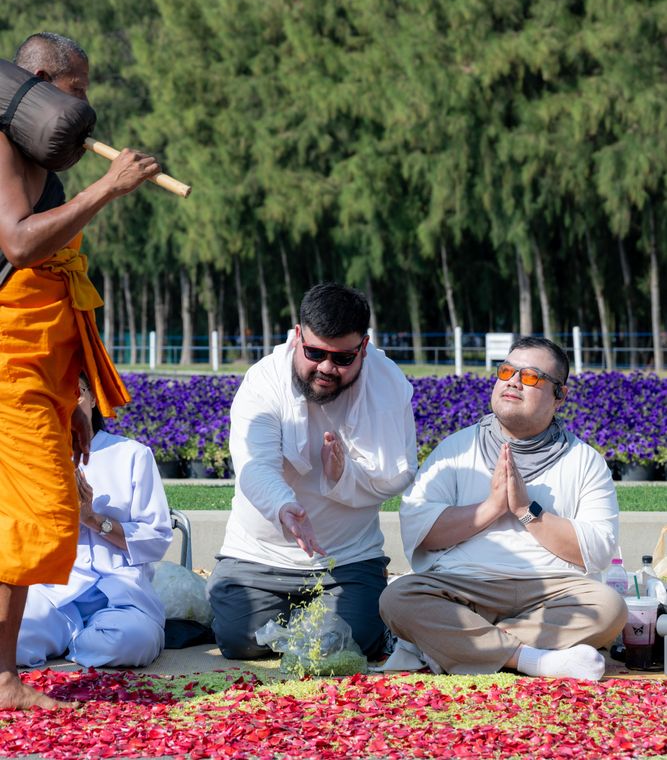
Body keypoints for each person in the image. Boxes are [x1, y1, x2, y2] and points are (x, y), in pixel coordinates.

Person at [0, 32, 160, 709]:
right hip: (8, 365)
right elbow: (17, 242)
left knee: (27, 517)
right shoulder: (5, 146)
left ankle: (2, 677)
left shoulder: (36, 155)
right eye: (77, 92)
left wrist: (70, 399)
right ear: (37, 80)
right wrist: (109, 187)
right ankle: (4, 680)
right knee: (33, 516)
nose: (86, 108)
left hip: (38, 372)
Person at [380, 336, 628, 681]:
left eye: (530, 377)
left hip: (551, 593)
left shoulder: (585, 461)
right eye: (507, 371)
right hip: (464, 587)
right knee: (397, 598)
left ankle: (455, 646)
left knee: (610, 608)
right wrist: (491, 508)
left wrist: (526, 510)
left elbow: (597, 549)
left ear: (560, 396)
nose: (512, 381)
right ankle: (535, 660)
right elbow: (419, 529)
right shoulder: (456, 449)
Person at [207, 282, 418, 661]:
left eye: (342, 359)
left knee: (352, 644)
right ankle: (297, 616)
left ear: (364, 348)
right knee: (238, 641)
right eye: (315, 352)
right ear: (297, 336)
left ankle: (346, 617)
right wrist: (284, 505)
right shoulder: (263, 381)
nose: (326, 367)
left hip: (347, 561)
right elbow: (255, 465)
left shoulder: (388, 385)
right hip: (260, 555)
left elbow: (397, 474)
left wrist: (342, 473)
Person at [17, 376, 172, 668]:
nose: (66, 400)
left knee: (132, 640)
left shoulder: (132, 455)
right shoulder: (33, 460)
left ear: (94, 399)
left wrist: (92, 519)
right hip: (53, 594)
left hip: (120, 594)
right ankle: (75, 639)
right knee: (13, 637)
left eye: (76, 391)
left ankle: (71, 643)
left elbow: (157, 538)